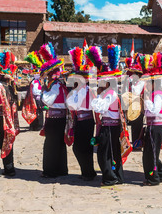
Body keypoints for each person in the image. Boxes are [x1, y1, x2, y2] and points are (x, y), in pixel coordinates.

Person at [89, 45, 125, 186]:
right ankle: (115, 176)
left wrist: (96, 95)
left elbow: (99, 107)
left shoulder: (109, 94)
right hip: (109, 127)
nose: (99, 82)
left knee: (105, 154)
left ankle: (111, 177)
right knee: (111, 153)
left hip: (109, 128)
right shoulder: (107, 93)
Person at [141, 52, 162, 186]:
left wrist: (147, 100)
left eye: (148, 82)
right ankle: (158, 173)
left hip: (156, 127)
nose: (146, 85)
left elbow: (154, 110)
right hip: (151, 126)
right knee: (149, 153)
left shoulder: (158, 95)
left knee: (152, 154)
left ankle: (154, 178)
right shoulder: (154, 93)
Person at [66, 46, 97, 181]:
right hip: (80, 120)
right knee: (81, 148)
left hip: (87, 121)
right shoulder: (78, 91)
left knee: (82, 148)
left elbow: (73, 105)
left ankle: (88, 172)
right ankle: (87, 171)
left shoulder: (87, 90)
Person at [38, 43, 68, 178]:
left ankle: (51, 170)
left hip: (54, 119)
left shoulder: (54, 86)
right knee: (59, 145)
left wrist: (43, 92)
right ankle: (61, 169)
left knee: (51, 146)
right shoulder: (60, 85)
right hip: (61, 118)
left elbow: (48, 101)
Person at [23, 51, 44, 131]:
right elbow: (32, 90)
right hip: (32, 99)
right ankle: (33, 125)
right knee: (33, 112)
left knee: (39, 112)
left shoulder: (40, 82)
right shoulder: (33, 82)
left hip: (38, 99)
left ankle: (39, 125)